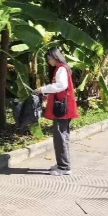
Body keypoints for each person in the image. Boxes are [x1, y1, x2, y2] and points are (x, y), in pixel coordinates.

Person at [34, 48, 78, 176]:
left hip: (61, 108)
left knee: (60, 137)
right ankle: (61, 164)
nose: (49, 61)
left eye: (49, 58)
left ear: (55, 57)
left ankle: (64, 167)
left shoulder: (61, 69)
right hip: (63, 107)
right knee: (62, 136)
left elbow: (61, 85)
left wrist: (42, 89)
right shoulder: (61, 68)